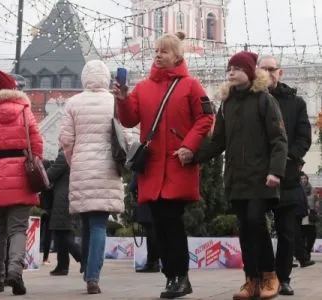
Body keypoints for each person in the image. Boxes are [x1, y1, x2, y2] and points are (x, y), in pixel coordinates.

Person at [113, 32, 214, 299]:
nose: (158, 55)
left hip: (177, 164)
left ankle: (180, 276)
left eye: (164, 51)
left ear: (177, 57)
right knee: (159, 223)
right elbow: (129, 119)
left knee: (171, 221)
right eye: (156, 51)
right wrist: (122, 98)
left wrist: (189, 146)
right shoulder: (143, 87)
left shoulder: (191, 85)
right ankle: (172, 277)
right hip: (153, 167)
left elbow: (205, 118)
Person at [193, 51, 288, 300]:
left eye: (237, 68)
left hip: (261, 178)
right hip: (236, 178)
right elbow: (218, 141)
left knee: (257, 222)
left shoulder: (264, 100)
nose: (231, 73)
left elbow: (279, 140)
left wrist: (276, 172)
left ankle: (269, 275)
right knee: (245, 228)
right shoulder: (228, 103)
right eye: (230, 69)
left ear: (249, 71)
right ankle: (250, 281)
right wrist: (192, 155)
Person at [0, 61, 43, 295]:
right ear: (14, 89)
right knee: (18, 229)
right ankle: (15, 271)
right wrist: (33, 164)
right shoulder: (24, 111)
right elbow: (37, 144)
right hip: (22, 175)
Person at [61, 59, 125, 294]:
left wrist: (74, 161)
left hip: (81, 167)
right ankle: (93, 276)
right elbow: (126, 136)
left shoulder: (73, 103)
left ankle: (88, 271)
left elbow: (66, 140)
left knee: (86, 223)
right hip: (108, 168)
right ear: (106, 78)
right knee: (99, 224)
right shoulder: (114, 102)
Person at [257, 55, 312, 296]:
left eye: (273, 69)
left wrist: (288, 157)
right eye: (264, 69)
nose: (268, 73)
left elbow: (304, 137)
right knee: (256, 228)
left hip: (287, 176)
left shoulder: (296, 103)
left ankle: (283, 277)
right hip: (257, 175)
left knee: (288, 231)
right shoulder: (252, 99)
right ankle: (265, 275)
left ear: (280, 73)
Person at [46, 148, 82, 276]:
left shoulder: (64, 156)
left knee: (63, 234)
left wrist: (45, 166)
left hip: (62, 198)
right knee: (61, 232)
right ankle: (62, 266)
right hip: (71, 196)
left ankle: (82, 258)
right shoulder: (76, 154)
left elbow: (50, 174)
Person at [130, 173, 160, 273]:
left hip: (145, 196)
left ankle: (152, 262)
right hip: (159, 195)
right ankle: (156, 261)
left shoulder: (142, 160)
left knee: (151, 231)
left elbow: (133, 184)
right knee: (156, 230)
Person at [299, 173, 318, 265]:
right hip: (301, 216)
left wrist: (310, 199)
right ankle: (304, 255)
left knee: (312, 236)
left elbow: (315, 202)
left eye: (305, 178)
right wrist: (310, 199)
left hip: (311, 217)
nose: (303, 180)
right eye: (301, 178)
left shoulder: (312, 189)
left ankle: (307, 252)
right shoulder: (298, 189)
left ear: (307, 179)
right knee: (302, 236)